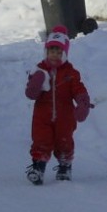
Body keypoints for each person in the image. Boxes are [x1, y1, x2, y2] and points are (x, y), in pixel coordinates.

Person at [25, 25, 91, 185]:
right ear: (46, 51)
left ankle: (64, 165)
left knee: (64, 141)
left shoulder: (70, 73)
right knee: (41, 139)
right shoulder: (39, 70)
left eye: (58, 52)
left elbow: (78, 88)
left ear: (65, 54)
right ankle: (38, 168)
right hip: (42, 115)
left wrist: (82, 102)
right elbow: (30, 94)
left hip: (65, 116)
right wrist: (35, 83)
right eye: (51, 51)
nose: (54, 55)